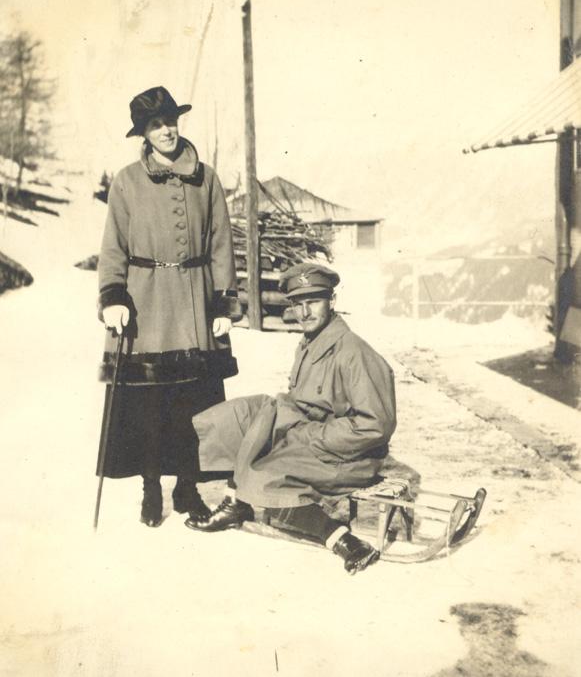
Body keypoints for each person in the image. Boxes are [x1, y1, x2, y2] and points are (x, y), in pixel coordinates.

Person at [186, 263, 397, 574]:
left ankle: (343, 541)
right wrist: (277, 417)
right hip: (314, 438)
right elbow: (307, 401)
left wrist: (311, 436)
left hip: (349, 456)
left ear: (332, 302)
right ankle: (236, 504)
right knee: (239, 418)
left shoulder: (353, 353)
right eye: (297, 304)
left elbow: (375, 425)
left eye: (313, 302)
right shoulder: (311, 343)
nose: (304, 312)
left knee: (265, 470)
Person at [96, 86, 239, 528]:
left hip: (195, 303)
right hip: (146, 304)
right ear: (143, 132)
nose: (166, 131)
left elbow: (221, 244)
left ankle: (188, 489)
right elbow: (113, 246)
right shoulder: (126, 181)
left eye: (171, 121)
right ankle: (151, 487)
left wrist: (222, 303)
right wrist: (113, 297)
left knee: (195, 405)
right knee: (150, 407)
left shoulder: (207, 178)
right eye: (156, 125)